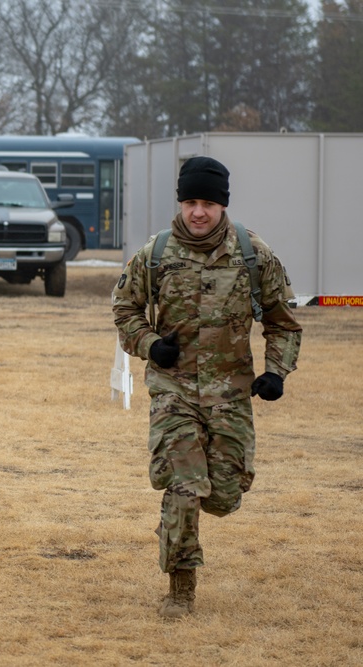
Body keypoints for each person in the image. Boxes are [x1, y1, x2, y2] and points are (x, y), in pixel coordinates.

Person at [112, 156, 302, 618]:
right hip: (173, 391)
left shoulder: (254, 255)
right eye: (191, 202)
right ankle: (180, 590)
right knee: (183, 486)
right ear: (181, 202)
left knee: (222, 495)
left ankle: (183, 522)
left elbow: (284, 324)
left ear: (222, 206)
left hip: (230, 394)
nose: (199, 212)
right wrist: (150, 344)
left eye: (209, 203)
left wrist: (276, 371)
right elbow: (125, 311)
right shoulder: (154, 254)